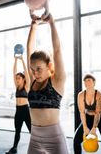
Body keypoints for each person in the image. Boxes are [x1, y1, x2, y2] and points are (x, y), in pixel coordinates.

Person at [26, 13, 69, 154]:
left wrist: (52, 23)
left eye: (39, 69)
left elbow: (57, 50)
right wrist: (33, 27)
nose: (35, 73)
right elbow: (29, 51)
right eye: (33, 70)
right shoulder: (33, 81)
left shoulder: (57, 81)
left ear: (49, 66)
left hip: (55, 139)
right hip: (34, 139)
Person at [73, 74, 101, 154]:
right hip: (88, 117)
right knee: (76, 140)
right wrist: (85, 127)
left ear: (94, 82)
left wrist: (94, 128)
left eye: (89, 80)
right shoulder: (81, 95)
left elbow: (98, 113)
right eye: (85, 81)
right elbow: (82, 112)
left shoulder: (99, 95)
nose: (87, 82)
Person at [5, 56, 31, 154]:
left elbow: (27, 72)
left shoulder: (26, 86)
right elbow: (14, 71)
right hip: (18, 111)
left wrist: (22, 60)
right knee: (17, 131)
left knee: (32, 132)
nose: (17, 80)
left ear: (23, 79)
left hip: (26, 111)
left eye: (19, 78)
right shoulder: (17, 87)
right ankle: (14, 148)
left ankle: (38, 147)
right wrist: (15, 60)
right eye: (16, 78)